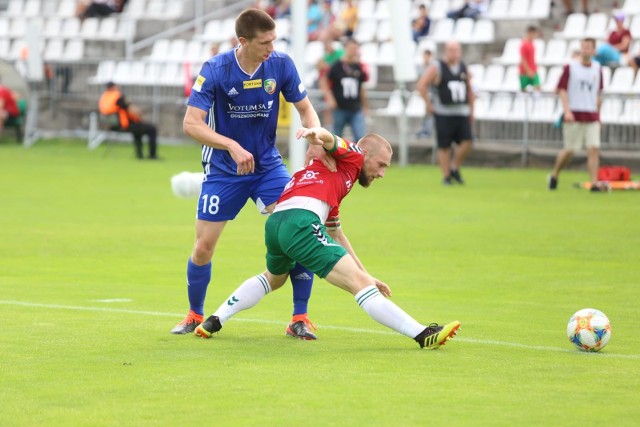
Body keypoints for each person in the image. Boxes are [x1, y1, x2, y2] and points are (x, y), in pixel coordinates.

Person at [194, 126, 461, 349]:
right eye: (381, 165)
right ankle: (423, 334)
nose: (382, 173)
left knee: (273, 279)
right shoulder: (355, 156)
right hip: (300, 222)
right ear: (366, 153)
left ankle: (215, 319)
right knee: (358, 286)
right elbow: (330, 138)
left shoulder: (331, 179)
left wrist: (368, 275)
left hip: (276, 223)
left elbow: (336, 233)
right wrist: (315, 133)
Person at [176, 9, 332, 339]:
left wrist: (316, 136)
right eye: (264, 42)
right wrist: (231, 145)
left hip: (267, 167)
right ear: (243, 42)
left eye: (274, 40)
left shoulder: (281, 65)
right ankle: (193, 314)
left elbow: (304, 107)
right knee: (203, 247)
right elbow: (191, 124)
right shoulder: (216, 69)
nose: (271, 48)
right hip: (222, 170)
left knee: (299, 229)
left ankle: (299, 317)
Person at [548, 38, 606, 192]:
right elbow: (562, 89)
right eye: (584, 47)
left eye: (589, 47)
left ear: (594, 50)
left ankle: (594, 183)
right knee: (570, 149)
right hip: (574, 113)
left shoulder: (597, 68)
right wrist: (567, 110)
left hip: (591, 114)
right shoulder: (571, 67)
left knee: (594, 148)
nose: (586, 50)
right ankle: (554, 174)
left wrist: (599, 116)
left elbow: (598, 94)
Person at [417, 40, 474, 185]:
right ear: (445, 51)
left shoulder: (463, 67)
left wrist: (472, 110)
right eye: (451, 50)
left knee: (467, 141)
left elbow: (470, 89)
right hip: (443, 112)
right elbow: (422, 85)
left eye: (456, 50)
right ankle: (446, 175)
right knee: (444, 145)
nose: (453, 53)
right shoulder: (437, 67)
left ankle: (455, 167)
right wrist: (428, 104)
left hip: (461, 111)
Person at [320, 38, 369, 143]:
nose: (353, 51)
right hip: (339, 108)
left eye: (355, 48)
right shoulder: (337, 65)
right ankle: (335, 159)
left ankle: (357, 159)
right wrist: (330, 98)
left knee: (360, 137)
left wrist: (365, 106)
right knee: (336, 138)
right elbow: (323, 81)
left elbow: (361, 88)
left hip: (356, 108)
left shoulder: (358, 67)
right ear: (346, 48)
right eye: (351, 48)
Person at [98, 82, 158, 159]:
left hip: (112, 126)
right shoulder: (118, 96)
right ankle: (152, 155)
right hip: (124, 125)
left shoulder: (104, 97)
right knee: (152, 128)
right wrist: (140, 113)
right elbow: (132, 109)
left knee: (138, 128)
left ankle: (140, 155)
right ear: (114, 87)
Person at [519, 25, 541, 93]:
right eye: (533, 34)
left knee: (537, 87)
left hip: (533, 70)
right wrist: (528, 71)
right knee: (524, 91)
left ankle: (536, 103)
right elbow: (523, 59)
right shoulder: (524, 45)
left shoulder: (531, 43)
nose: (534, 36)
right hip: (524, 72)